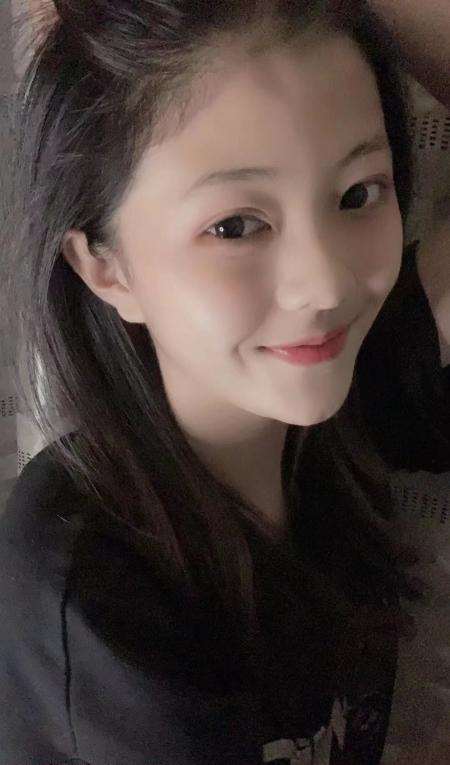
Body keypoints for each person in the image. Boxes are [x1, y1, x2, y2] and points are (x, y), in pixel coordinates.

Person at [0, 0, 437, 763]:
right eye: (234, 225)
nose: (325, 283)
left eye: (357, 193)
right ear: (106, 267)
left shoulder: (336, 391)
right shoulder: (94, 588)